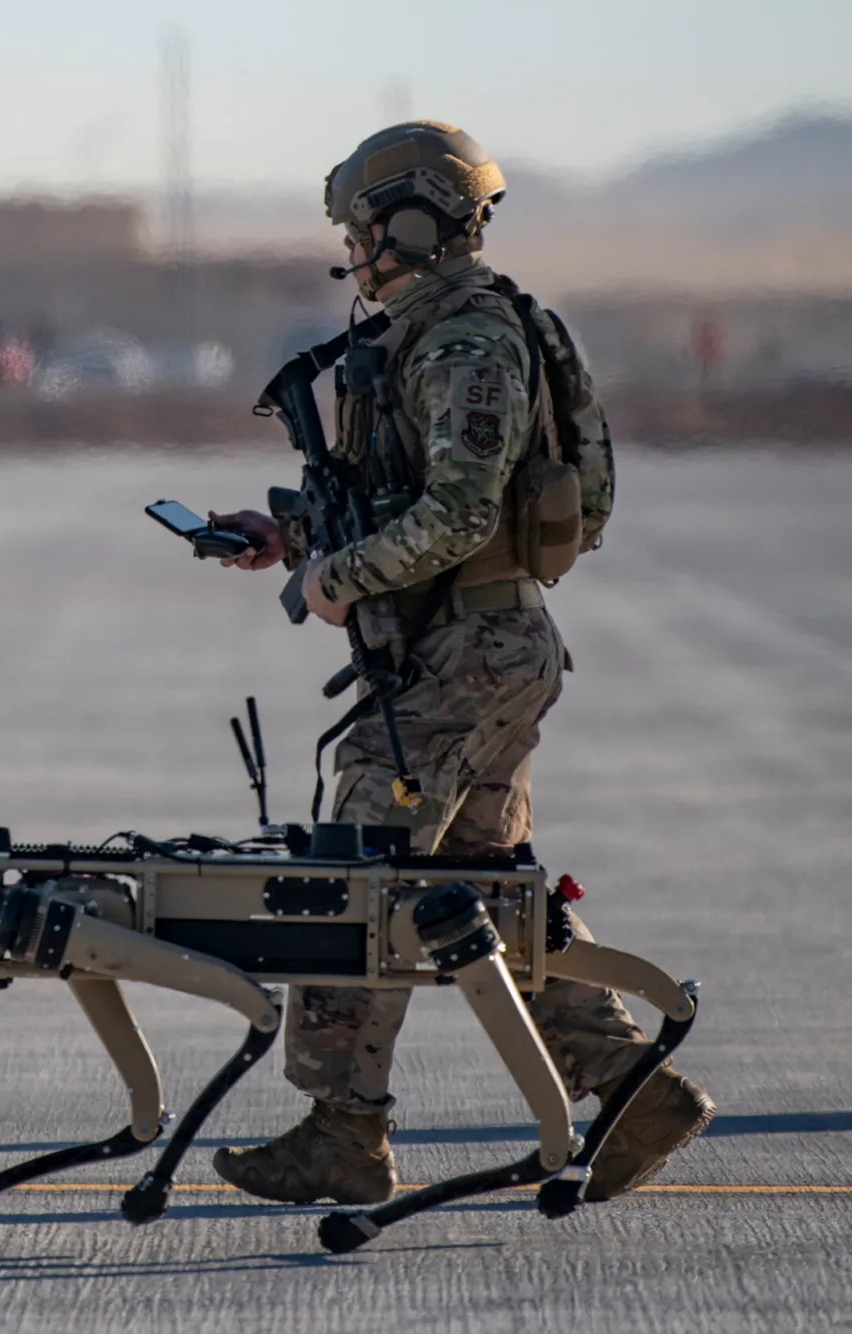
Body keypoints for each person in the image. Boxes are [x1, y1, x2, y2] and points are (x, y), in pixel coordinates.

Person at [206, 121, 714, 1206]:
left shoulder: (463, 341)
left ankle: (343, 1129)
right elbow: (426, 510)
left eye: (361, 231)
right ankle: (634, 1091)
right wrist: (293, 540)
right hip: (469, 646)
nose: (353, 253)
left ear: (413, 223)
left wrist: (334, 578)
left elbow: (458, 512)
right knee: (479, 893)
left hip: (465, 654)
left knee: (355, 879)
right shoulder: (435, 334)